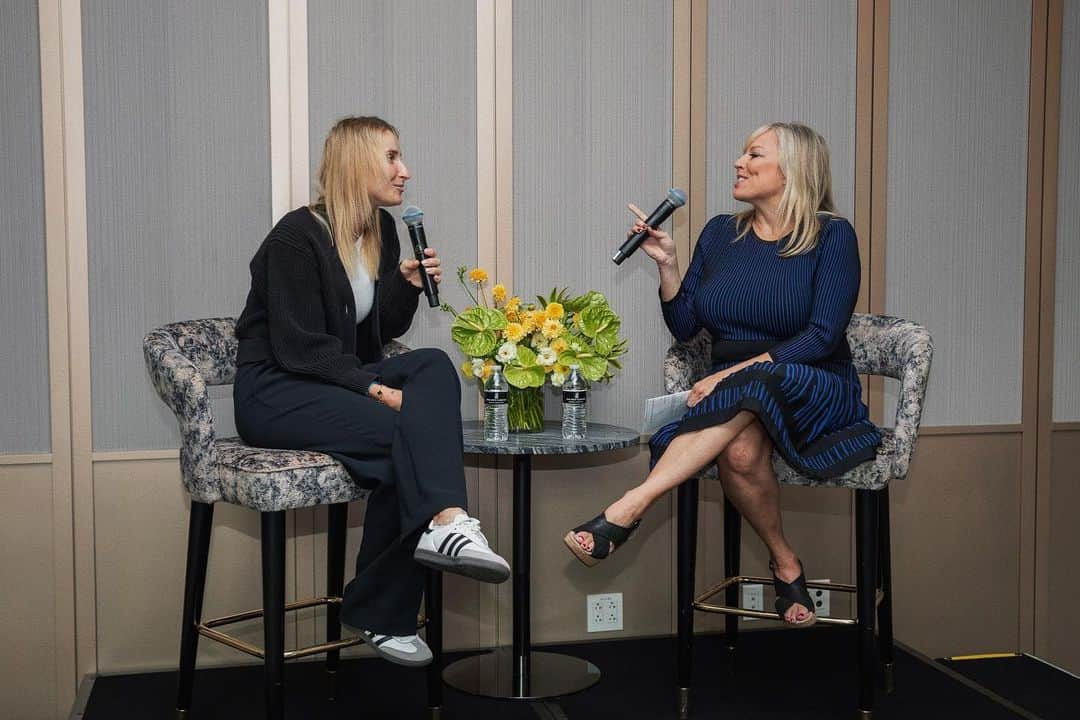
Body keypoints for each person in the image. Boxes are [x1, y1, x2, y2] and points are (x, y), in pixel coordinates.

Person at [564, 122, 881, 626]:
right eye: (742, 153)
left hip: (810, 382)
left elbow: (822, 336)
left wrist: (732, 376)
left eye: (755, 155)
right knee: (737, 449)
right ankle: (785, 562)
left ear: (793, 169)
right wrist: (668, 266)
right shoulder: (719, 233)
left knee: (754, 382)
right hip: (737, 398)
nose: (739, 162)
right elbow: (687, 327)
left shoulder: (832, 235)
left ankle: (630, 506)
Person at [234, 116, 509, 667]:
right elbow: (302, 348)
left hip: (330, 382)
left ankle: (441, 529)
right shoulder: (295, 235)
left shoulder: (375, 233)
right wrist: (376, 391)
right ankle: (394, 592)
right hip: (276, 389)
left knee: (431, 365)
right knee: (406, 436)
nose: (404, 172)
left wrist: (404, 288)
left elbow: (372, 337)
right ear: (356, 162)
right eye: (392, 158)